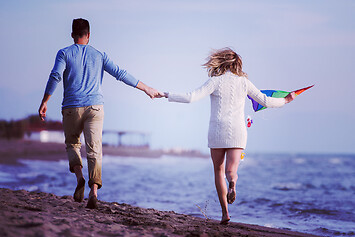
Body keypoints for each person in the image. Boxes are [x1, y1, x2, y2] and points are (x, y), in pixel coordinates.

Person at [38, 18, 163, 209]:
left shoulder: (64, 53)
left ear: (72, 35)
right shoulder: (99, 55)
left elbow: (55, 76)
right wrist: (146, 88)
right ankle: (93, 191)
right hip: (95, 108)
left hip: (71, 107)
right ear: (89, 35)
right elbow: (120, 74)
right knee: (94, 149)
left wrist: (45, 101)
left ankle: (80, 178)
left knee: (72, 144)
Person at [164, 48, 295, 224]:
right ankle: (232, 182)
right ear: (237, 64)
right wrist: (286, 100)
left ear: (221, 62)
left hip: (217, 132)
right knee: (231, 170)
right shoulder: (244, 82)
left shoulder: (214, 81)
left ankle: (225, 213)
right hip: (238, 131)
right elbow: (265, 100)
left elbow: (191, 97)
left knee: (218, 170)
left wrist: (166, 94)